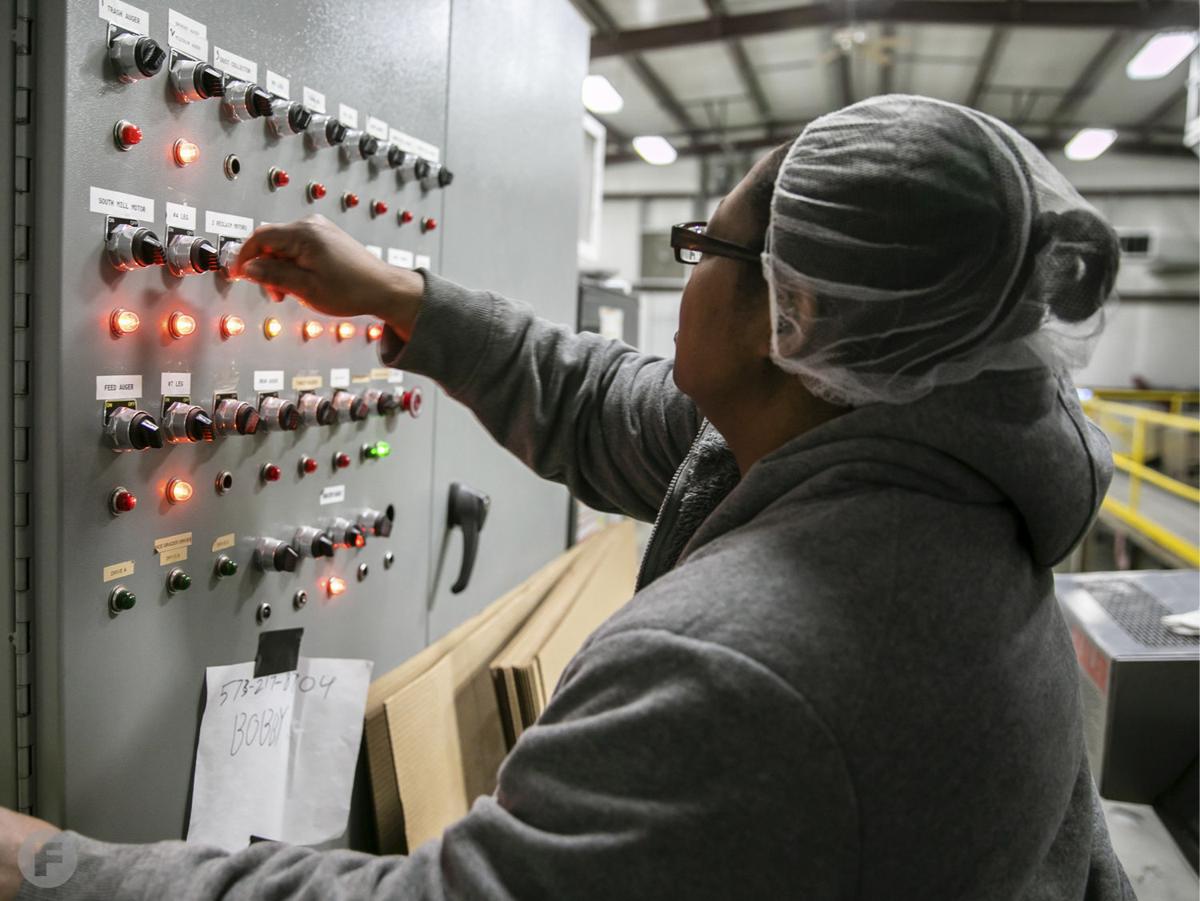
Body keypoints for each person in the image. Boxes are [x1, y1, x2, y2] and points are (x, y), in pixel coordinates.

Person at [1, 94, 1131, 899]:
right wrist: (402, 295)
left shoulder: (738, 672)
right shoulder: (924, 474)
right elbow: (603, 401)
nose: (684, 274)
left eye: (702, 245)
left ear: (792, 320)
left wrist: (51, 867)